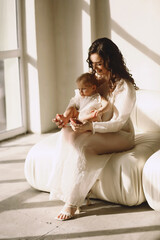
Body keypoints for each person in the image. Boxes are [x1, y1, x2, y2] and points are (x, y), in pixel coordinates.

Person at [48, 37, 137, 221]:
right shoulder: (93, 78)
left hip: (121, 134)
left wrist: (91, 127)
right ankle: (76, 188)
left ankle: (72, 202)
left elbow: (119, 122)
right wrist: (66, 116)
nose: (95, 68)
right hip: (96, 127)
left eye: (100, 64)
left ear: (111, 61)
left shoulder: (124, 87)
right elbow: (76, 100)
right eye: (93, 63)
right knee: (66, 132)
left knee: (83, 146)